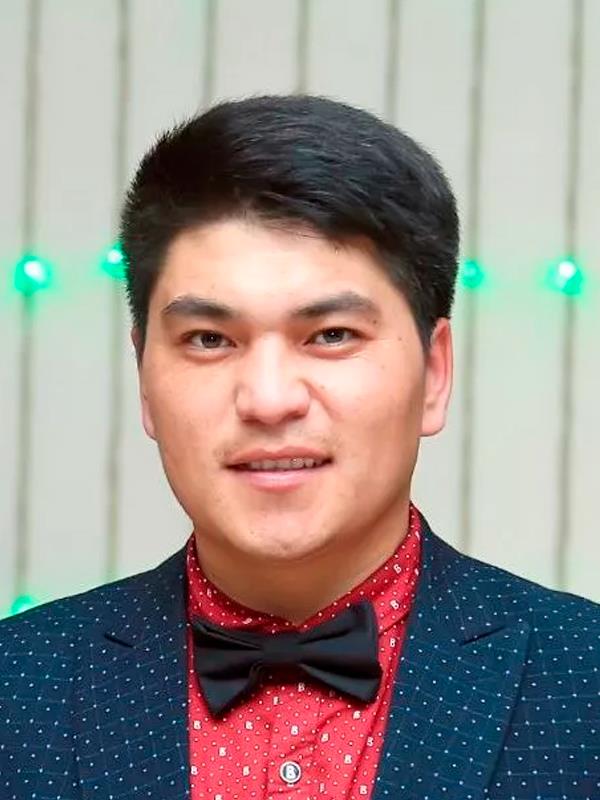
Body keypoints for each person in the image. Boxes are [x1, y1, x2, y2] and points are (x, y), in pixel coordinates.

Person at [1, 95, 598, 800]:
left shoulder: (581, 680)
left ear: (435, 373)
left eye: (331, 335)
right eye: (209, 340)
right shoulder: (19, 687)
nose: (269, 399)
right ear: (144, 377)